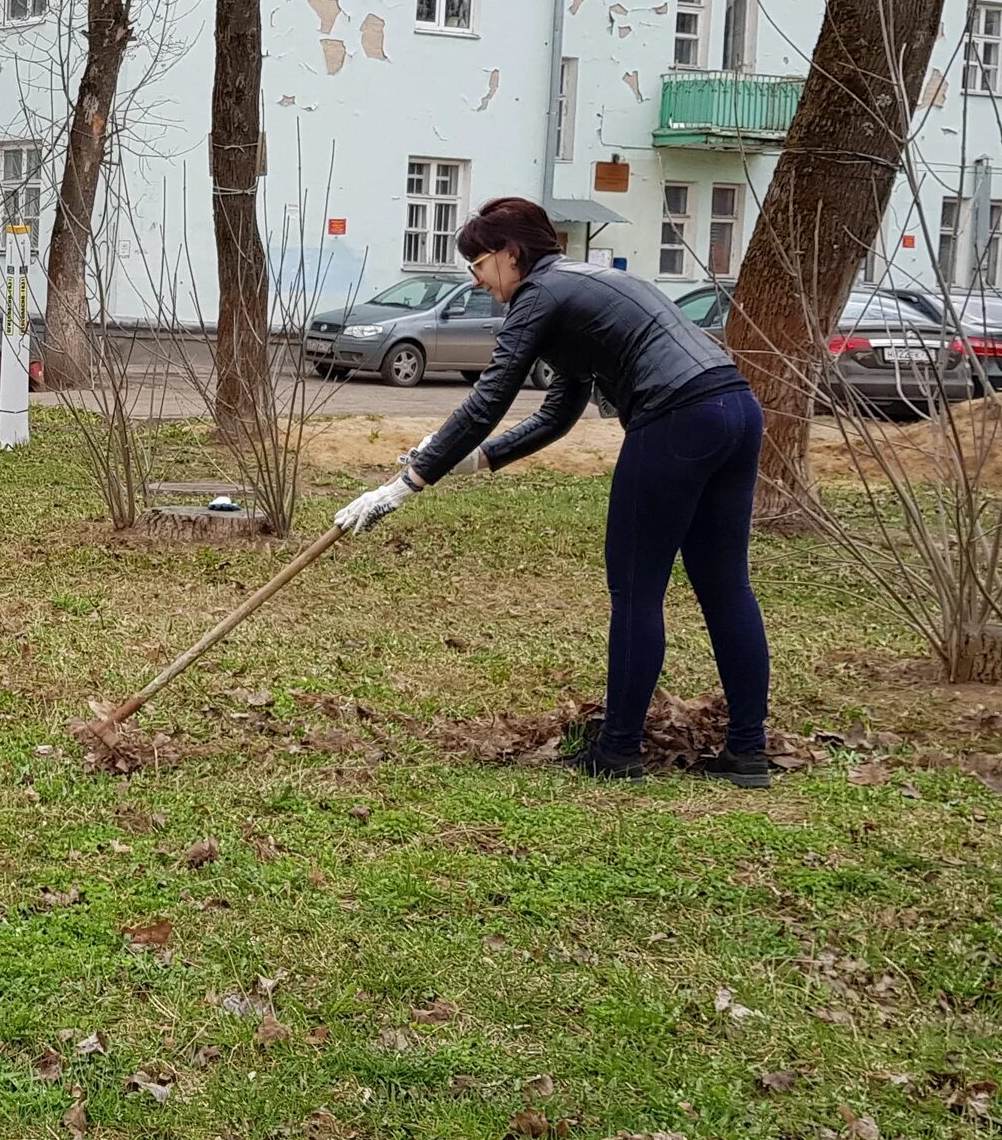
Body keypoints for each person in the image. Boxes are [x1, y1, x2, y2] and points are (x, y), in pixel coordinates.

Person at [330, 197, 773, 787]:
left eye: (479, 264)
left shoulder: (539, 295)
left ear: (512, 256)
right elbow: (561, 410)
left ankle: (617, 751)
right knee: (724, 584)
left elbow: (490, 396)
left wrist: (409, 482)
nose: (479, 280)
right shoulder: (577, 289)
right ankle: (748, 751)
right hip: (736, 408)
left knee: (637, 589)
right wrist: (478, 461)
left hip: (677, 417)